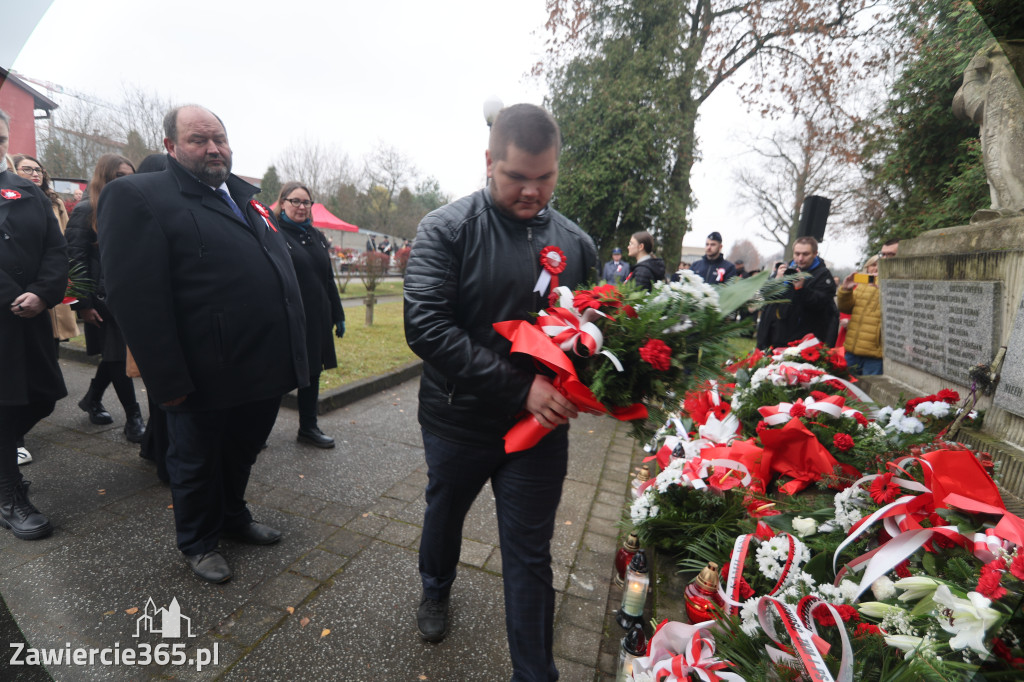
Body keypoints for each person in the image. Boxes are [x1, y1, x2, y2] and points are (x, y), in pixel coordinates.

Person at [404, 103, 597, 680]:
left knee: (530, 553)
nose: (532, 191)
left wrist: (595, 377)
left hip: (540, 431)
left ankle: (535, 673)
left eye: (546, 177)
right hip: (458, 420)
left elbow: (591, 328)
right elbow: (427, 327)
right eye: (517, 177)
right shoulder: (447, 229)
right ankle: (436, 586)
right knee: (445, 515)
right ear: (489, 161)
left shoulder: (576, 243)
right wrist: (520, 388)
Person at [97, 105, 308, 583]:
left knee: (243, 450)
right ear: (170, 146)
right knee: (195, 461)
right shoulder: (138, 195)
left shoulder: (245, 198)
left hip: (263, 364)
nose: (214, 149)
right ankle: (198, 541)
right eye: (198, 140)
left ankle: (232, 515)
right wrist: (166, 379)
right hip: (202, 370)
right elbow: (134, 296)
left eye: (220, 139)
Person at [0, 109, 68, 540]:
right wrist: (10, 294)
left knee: (42, 398)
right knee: (4, 408)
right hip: (4, 315)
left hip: (31, 318)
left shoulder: (27, 191)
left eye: (0, 137)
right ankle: (9, 497)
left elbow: (55, 248)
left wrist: (44, 292)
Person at [66, 154, 146, 443]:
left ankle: (92, 398)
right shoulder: (86, 209)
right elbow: (73, 259)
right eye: (119, 175)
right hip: (101, 298)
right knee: (116, 355)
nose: (126, 181)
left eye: (130, 175)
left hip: (128, 294)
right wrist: (82, 304)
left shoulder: (131, 206)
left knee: (115, 355)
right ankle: (133, 417)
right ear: (105, 177)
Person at [12, 154, 76, 465]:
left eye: (38, 169)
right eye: (28, 169)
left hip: (44, 298)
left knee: (46, 384)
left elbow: (59, 246)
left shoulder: (48, 200)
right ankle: (13, 447)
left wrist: (46, 290)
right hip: (15, 298)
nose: (34, 174)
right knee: (13, 385)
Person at [274, 181, 345, 448]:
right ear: (282, 203)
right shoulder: (273, 234)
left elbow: (328, 278)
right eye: (295, 201)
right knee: (276, 375)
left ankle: (308, 427)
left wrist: (338, 313)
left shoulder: (316, 236)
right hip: (286, 318)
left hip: (316, 318)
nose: (301, 207)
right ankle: (256, 431)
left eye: (306, 202)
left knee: (312, 372)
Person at [755, 236, 839, 349]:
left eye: (805, 254)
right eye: (797, 254)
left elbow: (821, 304)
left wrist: (801, 288)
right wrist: (776, 281)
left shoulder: (823, 275)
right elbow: (764, 297)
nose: (800, 258)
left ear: (815, 254)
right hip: (774, 335)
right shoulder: (786, 269)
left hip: (801, 341)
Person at [838, 255, 883, 375]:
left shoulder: (892, 286)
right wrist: (846, 290)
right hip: (852, 350)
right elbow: (845, 308)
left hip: (874, 354)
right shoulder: (861, 285)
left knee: (869, 386)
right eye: (873, 265)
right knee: (846, 384)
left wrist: (884, 290)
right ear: (867, 267)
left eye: (880, 265)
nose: (876, 268)